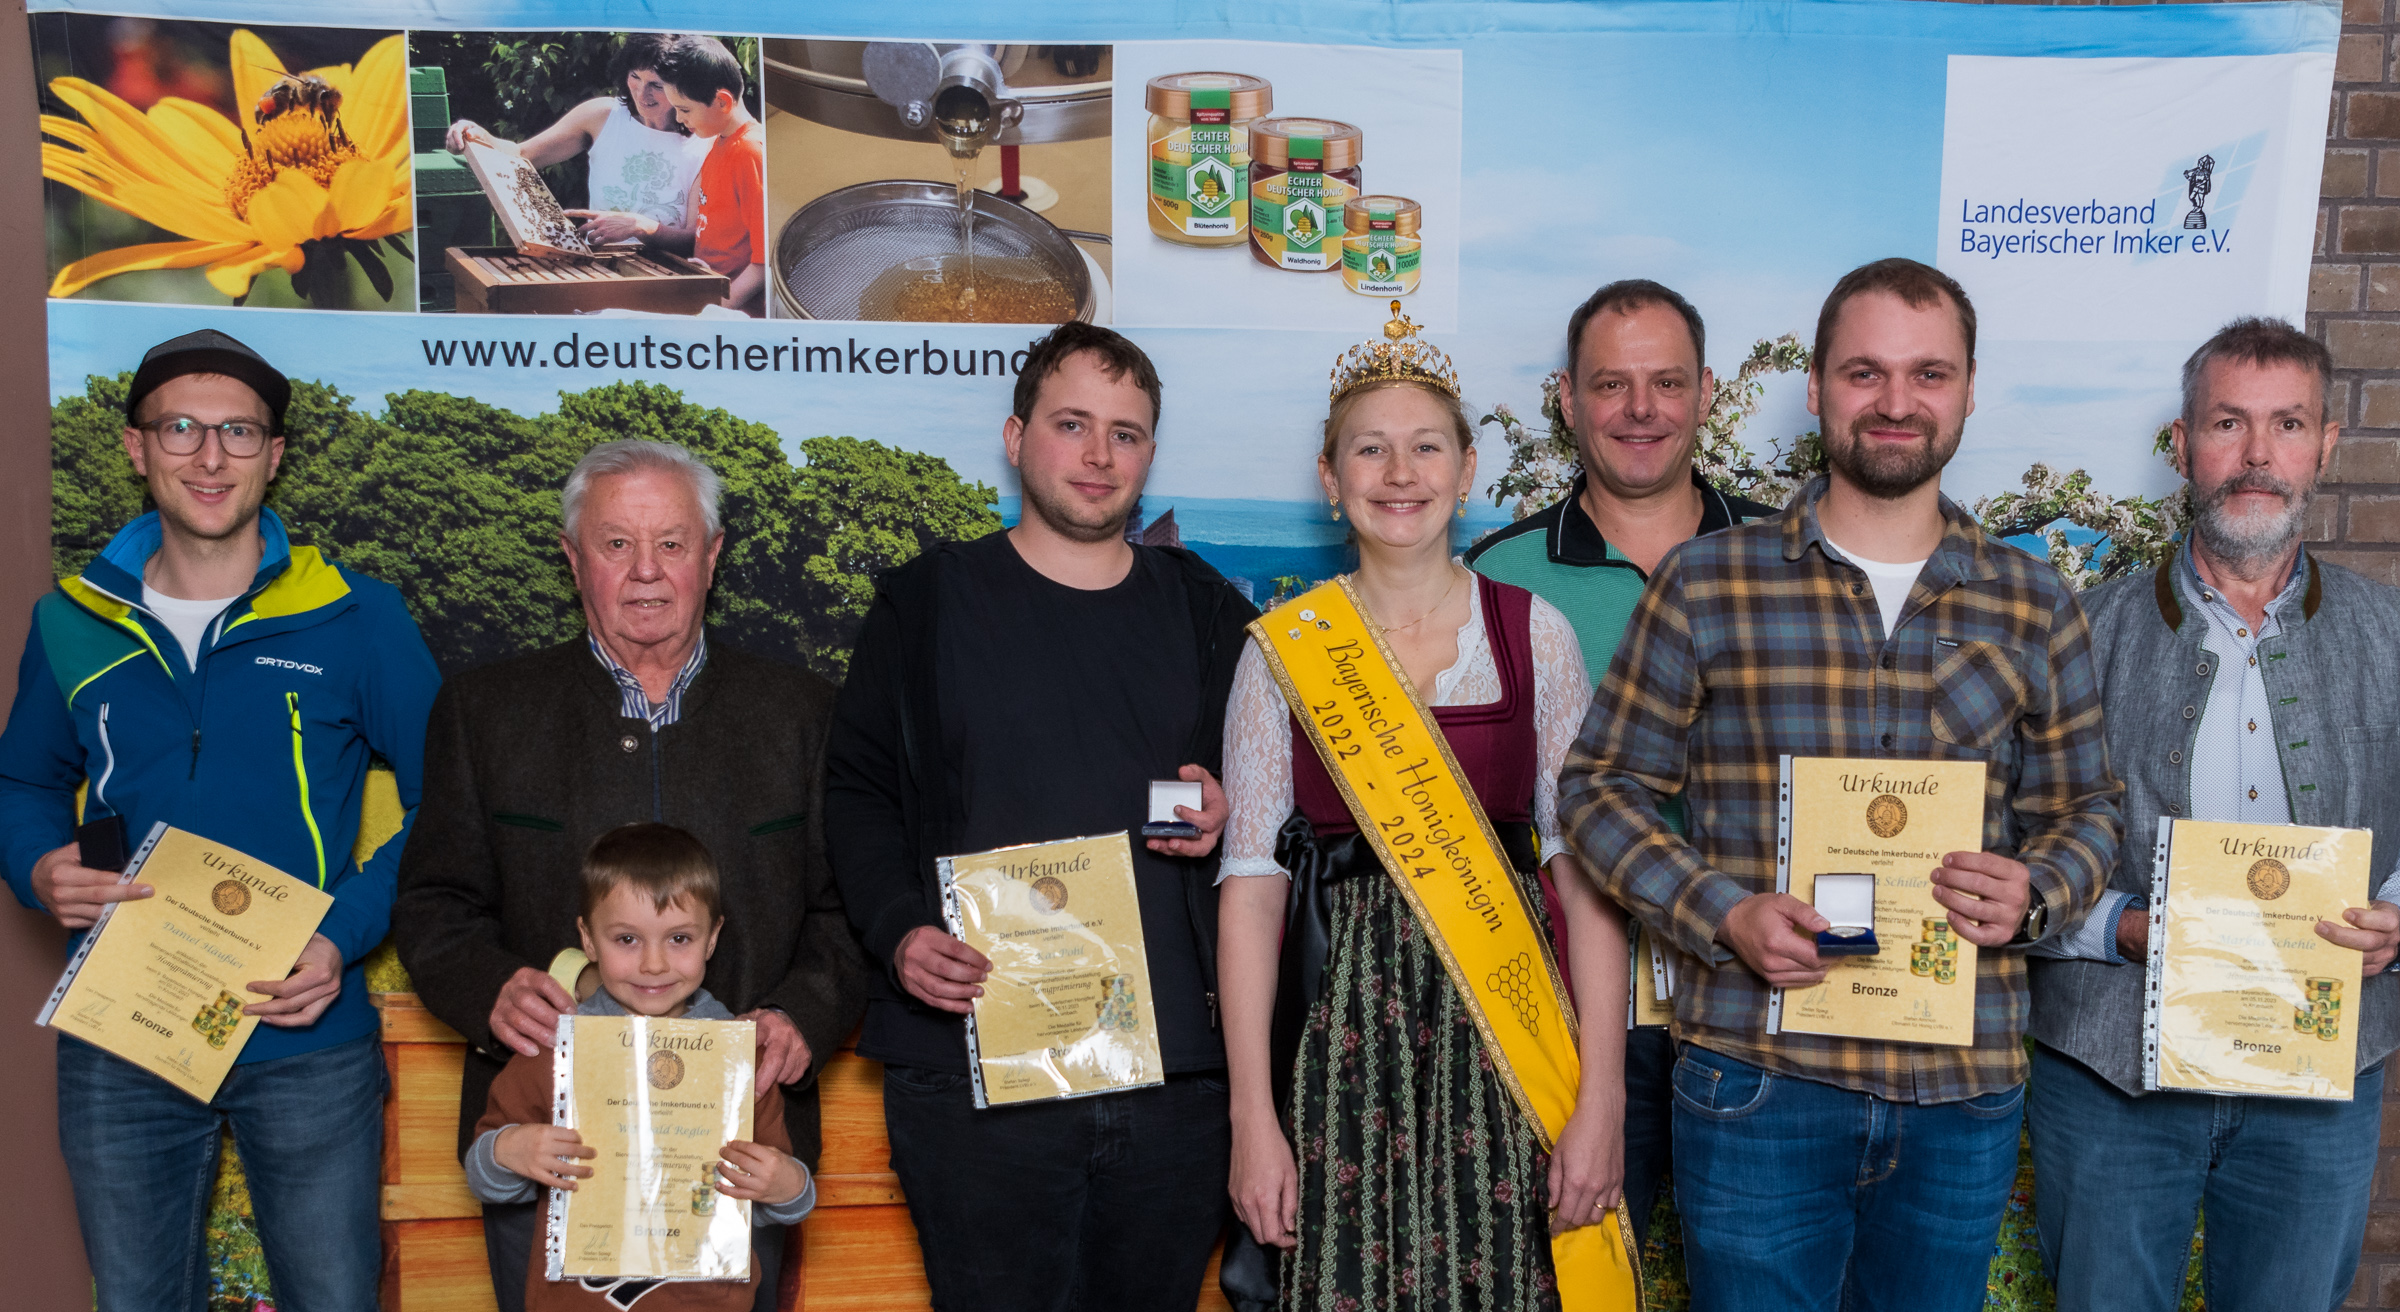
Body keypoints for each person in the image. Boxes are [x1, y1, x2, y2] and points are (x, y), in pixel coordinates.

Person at [1558, 258, 2123, 1312]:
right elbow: (1599, 790)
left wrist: (2037, 890)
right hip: (1759, 1076)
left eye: (1928, 374)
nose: (1896, 401)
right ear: (1816, 388)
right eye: (1866, 372)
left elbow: (2088, 810)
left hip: (1959, 1089)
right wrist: (1721, 913)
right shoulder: (1709, 581)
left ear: (1967, 392)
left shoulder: (2033, 599)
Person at [0, 329, 441, 1310]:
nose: (209, 456)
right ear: (137, 447)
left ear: (273, 454)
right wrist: (35, 867)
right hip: (125, 1031)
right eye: (182, 429)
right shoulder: (69, 621)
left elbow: (444, 804)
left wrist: (341, 936)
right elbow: (21, 783)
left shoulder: (358, 616)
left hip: (305, 1031)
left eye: (238, 431)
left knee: (334, 1297)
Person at [824, 322, 1255, 1311]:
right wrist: (898, 931)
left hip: (1173, 1076)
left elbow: (1273, 794)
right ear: (1017, 438)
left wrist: (1230, 806)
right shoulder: (926, 602)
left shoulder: (1207, 611)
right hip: (974, 1064)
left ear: (1149, 454)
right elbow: (856, 789)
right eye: (1072, 424)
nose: (1099, 454)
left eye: (1125, 433)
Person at [1219, 304, 1638, 1311]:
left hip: (1508, 1034)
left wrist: (1603, 1099)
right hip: (1340, 1043)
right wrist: (1251, 1118)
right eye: (1370, 449)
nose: (1399, 472)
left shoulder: (1534, 633)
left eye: (1425, 447)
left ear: (1465, 470)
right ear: (1331, 479)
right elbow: (1250, 891)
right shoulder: (1283, 649)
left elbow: (1586, 882)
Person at [393, 439, 865, 1312]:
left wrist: (805, 1014)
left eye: (671, 543)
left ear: (711, 557)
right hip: (547, 1148)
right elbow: (433, 901)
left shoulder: (804, 713)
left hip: (738, 1151)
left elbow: (847, 909)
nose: (647, 570)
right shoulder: (484, 710)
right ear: (574, 559)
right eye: (616, 543)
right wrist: (490, 986)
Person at [2025, 317, 2400, 1312]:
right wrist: (2123, 927)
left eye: (2288, 424)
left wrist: (2398, 920)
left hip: (2321, 1070)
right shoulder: (2080, 634)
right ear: (2183, 444)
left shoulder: (2391, 633)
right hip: (2112, 1071)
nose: (2258, 454)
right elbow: (2019, 839)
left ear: (2326, 445)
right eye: (2229, 423)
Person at [1464, 279, 1775, 1240]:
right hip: (1571, 1007)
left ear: (1708, 392)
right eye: (1611, 385)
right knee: (1585, 1271)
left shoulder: (1792, 556)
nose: (1641, 410)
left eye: (1667, 383)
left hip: (1763, 997)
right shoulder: (1498, 575)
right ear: (1567, 398)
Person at [467, 823, 817, 1312]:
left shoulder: (740, 1061)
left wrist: (789, 1189)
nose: (654, 964)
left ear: (713, 938)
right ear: (588, 940)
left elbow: (772, 1194)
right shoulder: (556, 1049)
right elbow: (485, 1175)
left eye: (679, 938)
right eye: (627, 938)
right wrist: (509, 1150)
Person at [444, 34, 713, 248]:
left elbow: (695, 240)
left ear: (682, 86)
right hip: (597, 269)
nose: (642, 94)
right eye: (635, 77)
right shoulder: (602, 115)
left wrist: (644, 228)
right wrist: (479, 137)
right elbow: (520, 153)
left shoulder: (704, 141)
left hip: (669, 280)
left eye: (656, 85)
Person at [655, 36, 765, 315]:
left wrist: (710, 311)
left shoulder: (750, 151)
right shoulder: (719, 140)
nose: (678, 119)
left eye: (684, 109)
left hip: (733, 314)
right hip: (709, 296)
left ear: (722, 102)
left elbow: (764, 265)